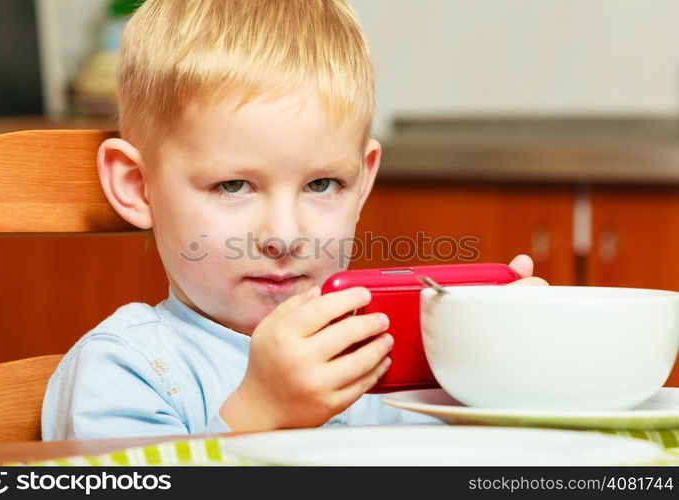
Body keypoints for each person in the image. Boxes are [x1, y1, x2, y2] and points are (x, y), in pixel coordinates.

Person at [42, 0, 545, 440]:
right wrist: (259, 415)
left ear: (363, 182)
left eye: (322, 185)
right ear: (136, 186)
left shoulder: (403, 355)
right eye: (233, 186)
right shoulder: (122, 369)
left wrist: (518, 383)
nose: (284, 237)